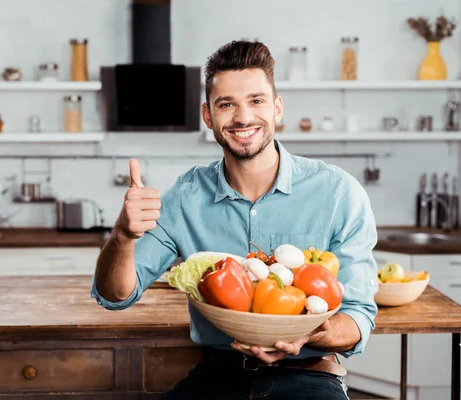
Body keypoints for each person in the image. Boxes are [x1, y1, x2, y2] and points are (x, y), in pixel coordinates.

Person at [92, 40, 378, 400]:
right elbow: (115, 295)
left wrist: (309, 336)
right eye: (227, 104)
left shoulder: (337, 192)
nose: (243, 117)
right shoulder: (185, 197)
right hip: (217, 375)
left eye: (256, 101)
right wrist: (122, 235)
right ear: (208, 115)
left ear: (277, 108)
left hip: (310, 377)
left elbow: (358, 314)